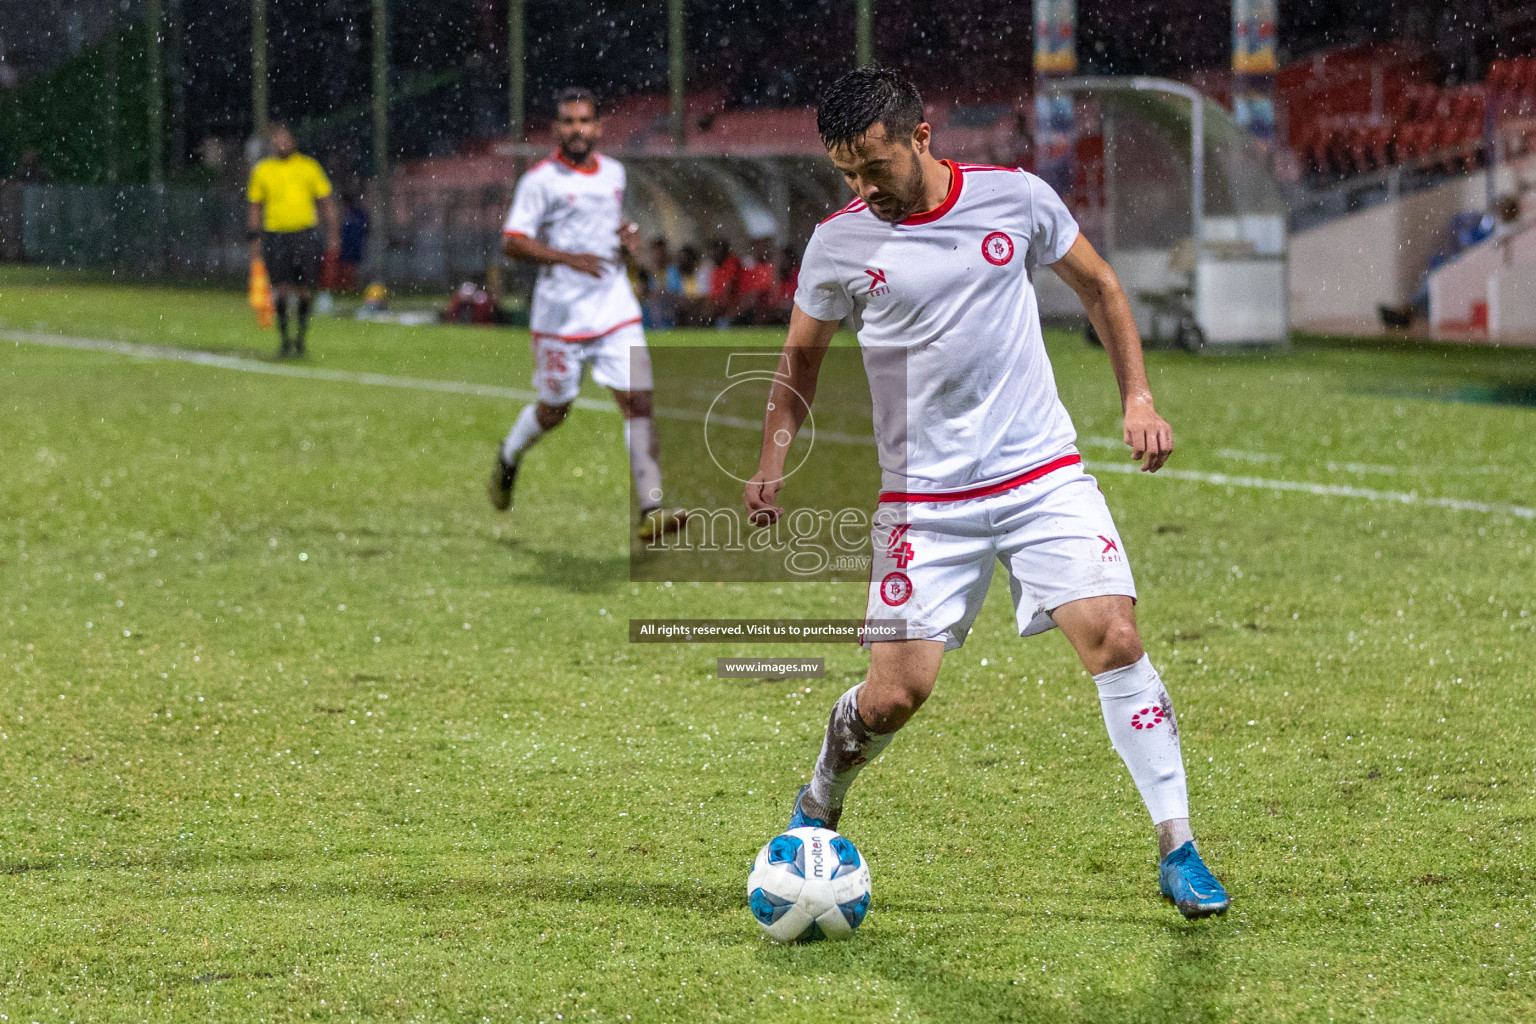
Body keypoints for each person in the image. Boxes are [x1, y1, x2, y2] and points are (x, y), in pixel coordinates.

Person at [743, 67, 1230, 919]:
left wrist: (1138, 398)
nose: (862, 189)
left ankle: (1177, 845)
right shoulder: (839, 244)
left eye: (874, 167)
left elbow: (1101, 287)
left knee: (1114, 634)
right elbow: (801, 360)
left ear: (922, 137)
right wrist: (771, 459)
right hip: (921, 502)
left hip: (1041, 473)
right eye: (845, 173)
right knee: (896, 695)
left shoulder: (1016, 199)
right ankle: (823, 789)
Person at [491, 87, 686, 541]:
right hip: (561, 317)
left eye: (584, 121)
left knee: (637, 403)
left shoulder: (614, 174)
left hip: (616, 309)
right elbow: (512, 240)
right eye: (568, 121)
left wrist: (626, 239)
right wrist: (567, 257)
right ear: (557, 128)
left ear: (598, 127)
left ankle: (651, 507)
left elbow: (608, 229)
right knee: (554, 410)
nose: (577, 129)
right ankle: (510, 454)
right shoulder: (540, 180)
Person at [246, 125, 339, 358]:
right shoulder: (263, 170)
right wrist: (254, 237)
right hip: (275, 236)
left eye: (285, 139)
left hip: (304, 234)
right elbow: (255, 206)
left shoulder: (309, 167)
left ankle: (301, 338)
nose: (281, 143)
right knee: (281, 289)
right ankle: (285, 339)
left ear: (293, 140)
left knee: (306, 288)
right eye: (277, 140)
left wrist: (333, 232)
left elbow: (325, 200)